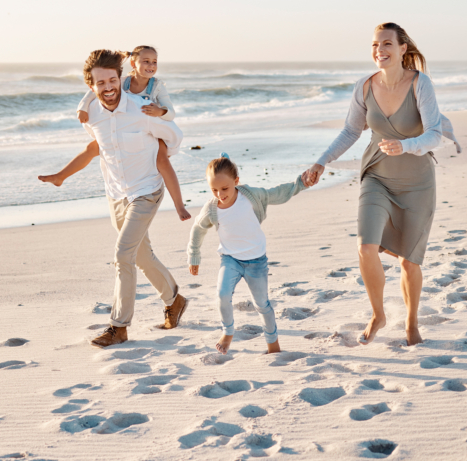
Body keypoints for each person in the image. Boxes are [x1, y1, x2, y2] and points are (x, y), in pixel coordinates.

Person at [308, 23, 461, 347]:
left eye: (387, 43)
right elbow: (351, 131)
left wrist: (405, 145)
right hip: (377, 175)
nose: (380, 50)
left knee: (409, 260)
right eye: (375, 45)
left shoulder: (420, 84)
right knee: (366, 248)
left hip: (417, 183)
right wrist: (322, 161)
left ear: (403, 48)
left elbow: (434, 133)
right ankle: (378, 314)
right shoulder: (364, 86)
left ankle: (411, 321)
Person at [39, 49, 189, 347]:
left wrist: (161, 152)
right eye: (100, 83)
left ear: (121, 78)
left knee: (123, 255)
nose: (108, 87)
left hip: (146, 191)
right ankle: (174, 300)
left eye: (112, 80)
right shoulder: (92, 112)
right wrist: (61, 176)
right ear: (91, 87)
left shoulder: (142, 109)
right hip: (117, 194)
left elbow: (174, 134)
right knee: (141, 256)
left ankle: (118, 327)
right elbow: (96, 148)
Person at [42, 45, 190, 221]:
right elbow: (93, 92)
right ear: (133, 64)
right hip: (126, 126)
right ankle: (60, 176)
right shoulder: (123, 80)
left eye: (154, 62)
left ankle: (179, 206)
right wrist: (82, 109)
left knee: (162, 161)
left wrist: (161, 112)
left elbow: (171, 113)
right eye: (145, 61)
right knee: (92, 148)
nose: (150, 65)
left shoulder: (157, 86)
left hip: (152, 128)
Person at [187, 153, 312, 355]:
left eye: (225, 188)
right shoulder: (212, 208)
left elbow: (276, 193)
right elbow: (198, 228)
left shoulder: (250, 196)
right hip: (230, 260)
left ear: (236, 181)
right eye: (214, 190)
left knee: (262, 304)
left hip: (256, 261)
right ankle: (227, 332)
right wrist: (194, 255)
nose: (220, 194)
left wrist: (300, 184)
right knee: (222, 295)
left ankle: (273, 345)